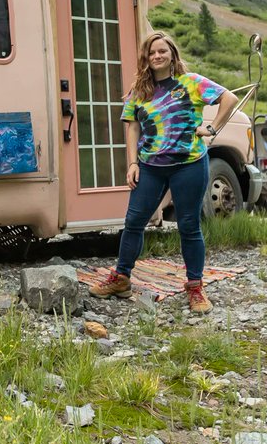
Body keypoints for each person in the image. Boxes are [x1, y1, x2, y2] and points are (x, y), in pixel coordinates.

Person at [90, 30, 240, 313]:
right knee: (134, 221)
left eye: (162, 51)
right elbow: (133, 126)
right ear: (145, 58)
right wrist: (133, 163)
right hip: (150, 166)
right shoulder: (139, 91)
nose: (157, 56)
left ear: (172, 54)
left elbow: (228, 99)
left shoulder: (190, 82)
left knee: (188, 225)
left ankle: (195, 288)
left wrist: (211, 128)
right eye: (151, 52)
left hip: (189, 165)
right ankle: (121, 278)